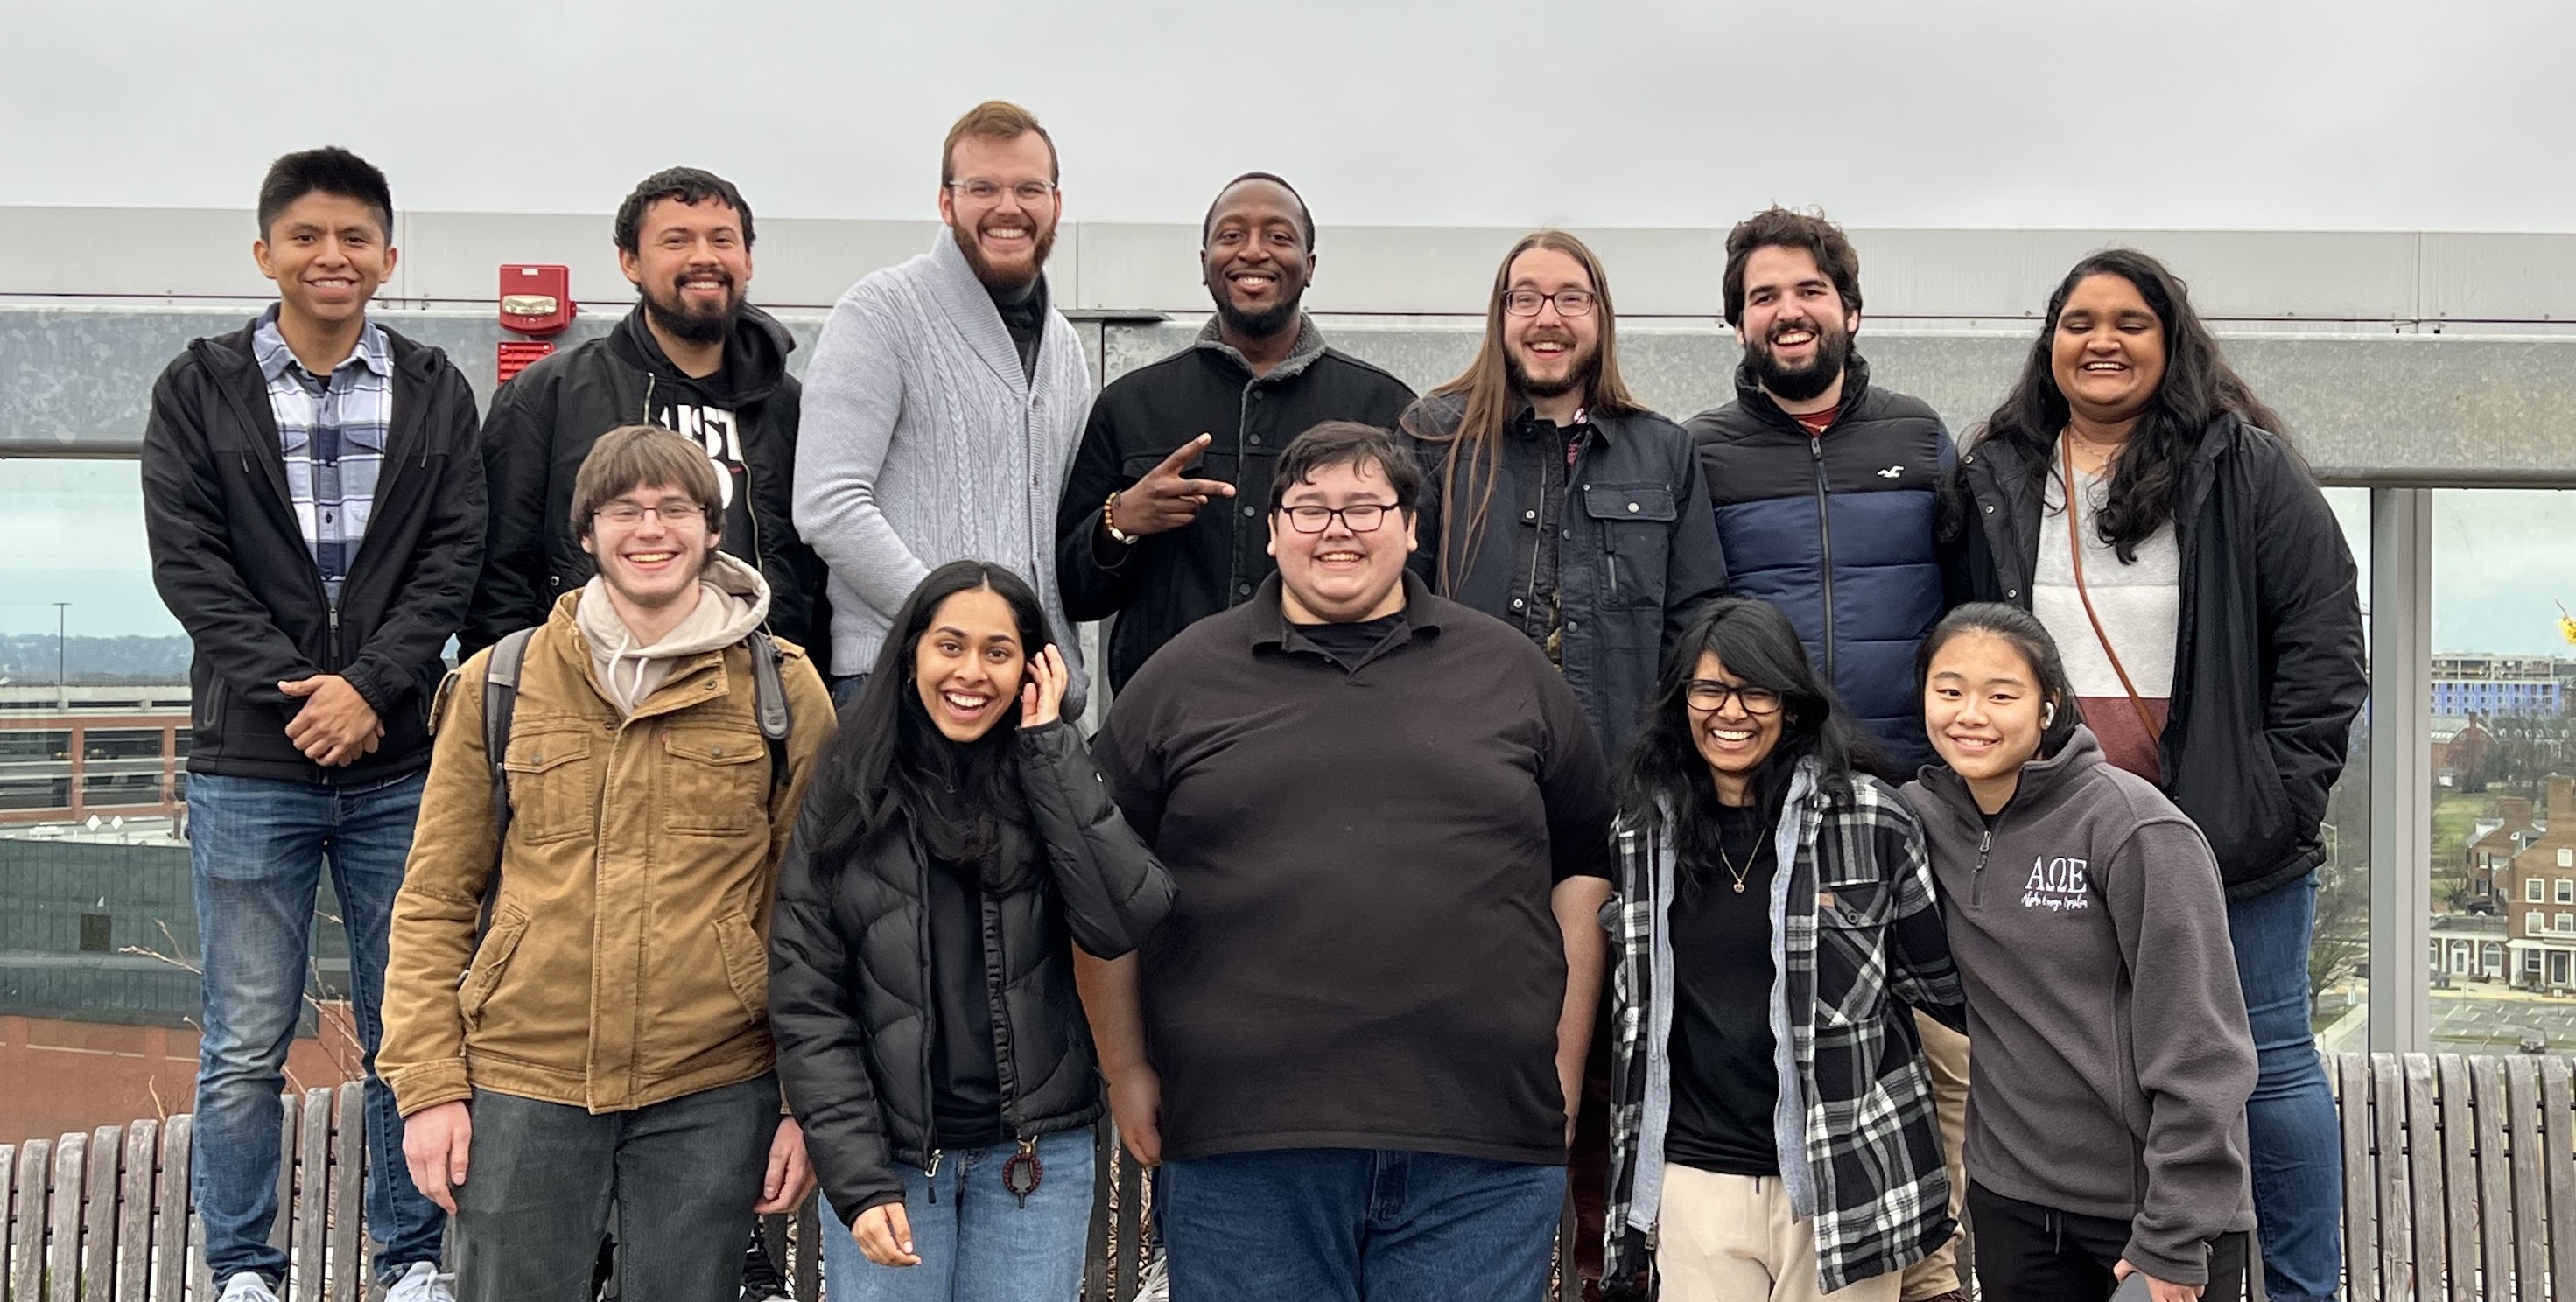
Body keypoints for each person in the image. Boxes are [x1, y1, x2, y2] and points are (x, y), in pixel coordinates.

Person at [1081, 421, 1614, 1302]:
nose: (1338, 528)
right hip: (1244, 1149)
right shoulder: (1180, 682)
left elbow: (1583, 869)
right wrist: (1125, 1066)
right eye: (1311, 508)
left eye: (1365, 506)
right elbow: (1101, 884)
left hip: (1480, 1149)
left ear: (1410, 527)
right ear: (1271, 529)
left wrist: (1561, 1062)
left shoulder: (1512, 673)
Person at [1942, 248, 2366, 1302]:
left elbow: (2325, 648)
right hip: (2061, 830)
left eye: (2131, 321)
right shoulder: (1999, 477)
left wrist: (2273, 804)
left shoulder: (2243, 467)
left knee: (2266, 1063)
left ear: (2170, 341)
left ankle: (2303, 1289)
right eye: (2079, 321)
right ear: (2050, 344)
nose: (2103, 340)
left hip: (2230, 839)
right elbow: (1964, 644)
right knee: (2085, 1060)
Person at [379, 426, 834, 1302]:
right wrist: (429, 1084)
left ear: (712, 530)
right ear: (586, 533)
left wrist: (803, 1101)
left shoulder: (782, 688)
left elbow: (816, 913)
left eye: (675, 508)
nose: (650, 529)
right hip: (523, 1078)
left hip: (713, 1082)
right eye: (624, 510)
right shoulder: (499, 683)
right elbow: (434, 900)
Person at [140, 145, 481, 1302]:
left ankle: (412, 1258)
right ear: (265, 253)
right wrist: (303, 691)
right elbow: (190, 569)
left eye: (353, 239)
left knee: (408, 1023)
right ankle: (243, 1267)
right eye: (306, 237)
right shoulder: (199, 388)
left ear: (389, 258)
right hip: (250, 763)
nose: (331, 258)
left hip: (399, 765)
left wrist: (371, 689)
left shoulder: (436, 386)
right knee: (243, 1038)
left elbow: (452, 563)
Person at [1684, 206, 1966, 1302]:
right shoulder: (1702, 451)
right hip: (1765, 794)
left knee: (1933, 1036)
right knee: (1799, 1023)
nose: (1787, 312)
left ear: (1850, 308)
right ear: (1738, 322)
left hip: (1908, 789)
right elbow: (1694, 618)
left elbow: (1968, 605)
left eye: (1807, 291)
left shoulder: (1918, 438)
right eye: (1763, 297)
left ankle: (1928, 1258)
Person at [767, 559, 1174, 1300]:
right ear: (912, 653)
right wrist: (855, 1179)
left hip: (1032, 1165)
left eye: (998, 651)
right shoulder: (847, 784)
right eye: (950, 646)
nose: (971, 672)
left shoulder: (1052, 773)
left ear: (1031, 666)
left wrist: (1050, 747)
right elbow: (807, 994)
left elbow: (1122, 919)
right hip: (888, 1163)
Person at [1601, 598, 1963, 1301]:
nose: (1729, 712)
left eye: (1754, 691)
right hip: (1694, 1176)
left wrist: (1938, 1220)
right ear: (1681, 704)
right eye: (1708, 690)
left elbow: (1941, 1014)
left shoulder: (1872, 819)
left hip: (1848, 1179)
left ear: (1791, 706)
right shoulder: (1639, 832)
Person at [1902, 604, 2257, 1302]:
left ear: (2047, 708)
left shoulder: (2133, 828)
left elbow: (2204, 1048)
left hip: (2145, 1215)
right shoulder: (1919, 820)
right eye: (1949, 691)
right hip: (2012, 1207)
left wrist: (2174, 1232)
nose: (1970, 714)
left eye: (2001, 695)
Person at [1057, 171, 1415, 691]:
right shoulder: (1130, 404)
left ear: (1309, 267)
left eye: (1278, 236)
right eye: (1231, 236)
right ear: (1204, 263)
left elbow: (1417, 577)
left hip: (1330, 710)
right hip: (1169, 720)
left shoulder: (1381, 408)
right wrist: (1122, 519)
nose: (1253, 252)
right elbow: (1074, 592)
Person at [797, 100, 1091, 706]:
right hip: (896, 683)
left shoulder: (1064, 347)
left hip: (1028, 692)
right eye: (982, 187)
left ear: (1055, 204)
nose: (1008, 207)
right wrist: (956, 633)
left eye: (1028, 188)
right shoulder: (880, 312)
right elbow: (827, 504)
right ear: (945, 201)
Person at [466, 165, 823, 654]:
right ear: (630, 262)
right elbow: (497, 574)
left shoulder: (792, 408)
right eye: (676, 241)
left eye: (722, 240)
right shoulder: (549, 395)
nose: (704, 258)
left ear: (747, 259)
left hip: (753, 696)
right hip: (590, 690)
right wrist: (511, 693)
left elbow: (819, 573)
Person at [1399, 229, 1727, 759]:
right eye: (1525, 298)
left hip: (1620, 777)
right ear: (1500, 315)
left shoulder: (1664, 451)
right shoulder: (1435, 438)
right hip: (1465, 765)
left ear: (1601, 317)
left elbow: (1696, 626)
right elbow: (1395, 600)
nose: (1547, 318)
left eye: (1572, 298)